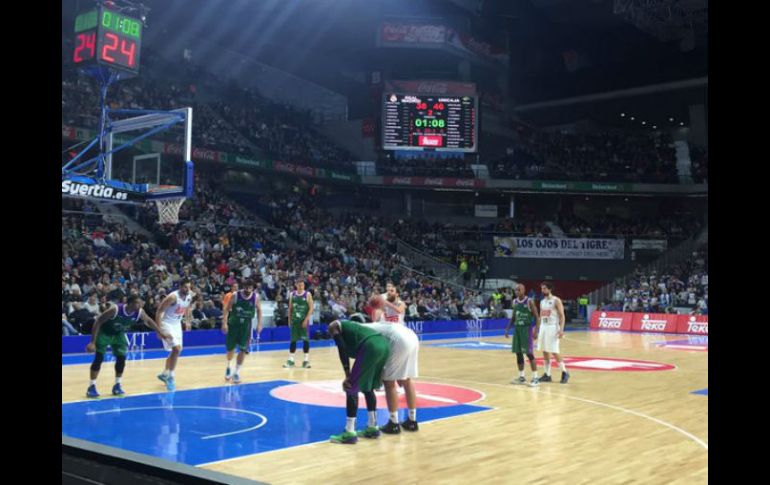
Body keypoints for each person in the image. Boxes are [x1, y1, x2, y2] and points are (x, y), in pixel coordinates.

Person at [86, 295, 170, 398]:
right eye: (137, 303)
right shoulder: (115, 309)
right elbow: (98, 321)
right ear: (130, 303)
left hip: (118, 334)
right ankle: (92, 386)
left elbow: (148, 321)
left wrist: (161, 332)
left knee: (121, 359)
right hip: (104, 333)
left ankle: (117, 385)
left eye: (141, 303)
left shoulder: (139, 312)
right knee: (99, 358)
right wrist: (92, 342)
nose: (140, 305)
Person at [351, 311, 420, 434]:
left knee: (389, 382)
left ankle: (393, 423)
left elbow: (374, 355)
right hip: (412, 337)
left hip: (400, 340)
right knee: (406, 379)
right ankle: (412, 420)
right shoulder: (377, 326)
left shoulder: (363, 329)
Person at [327, 318, 390, 444]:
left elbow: (342, 349)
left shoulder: (332, 326)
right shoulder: (354, 328)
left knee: (350, 387)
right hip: (384, 345)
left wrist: (347, 374)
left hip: (370, 345)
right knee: (368, 387)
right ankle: (373, 427)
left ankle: (350, 432)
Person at [155, 278, 195, 391]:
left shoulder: (189, 295)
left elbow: (187, 308)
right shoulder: (172, 297)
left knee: (176, 351)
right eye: (185, 287)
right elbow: (159, 311)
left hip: (177, 324)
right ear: (180, 287)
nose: (187, 289)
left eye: (189, 287)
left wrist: (187, 321)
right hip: (166, 323)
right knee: (176, 349)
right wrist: (158, 329)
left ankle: (165, 373)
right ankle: (171, 377)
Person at [222, 279, 262, 383]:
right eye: (246, 287)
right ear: (243, 287)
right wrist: (224, 323)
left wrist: (259, 323)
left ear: (252, 288)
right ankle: (229, 366)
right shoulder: (235, 295)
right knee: (230, 349)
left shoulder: (255, 297)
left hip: (246, 327)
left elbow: (259, 310)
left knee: (243, 349)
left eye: (250, 287)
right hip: (234, 325)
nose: (248, 289)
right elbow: (226, 309)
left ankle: (237, 372)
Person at [504, 284, 540, 386]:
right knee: (518, 353)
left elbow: (537, 317)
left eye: (519, 290)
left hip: (526, 329)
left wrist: (536, 330)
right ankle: (521, 377)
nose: (517, 292)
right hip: (517, 330)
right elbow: (514, 317)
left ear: (524, 290)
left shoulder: (529, 301)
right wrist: (507, 329)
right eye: (516, 290)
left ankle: (535, 378)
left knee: (529, 353)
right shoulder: (515, 302)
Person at [536, 282, 569, 384]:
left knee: (554, 351)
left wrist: (561, 329)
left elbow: (562, 316)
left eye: (545, 289)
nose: (542, 291)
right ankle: (547, 374)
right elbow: (541, 316)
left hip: (553, 327)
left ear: (550, 289)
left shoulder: (556, 300)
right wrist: (537, 329)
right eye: (542, 289)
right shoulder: (542, 302)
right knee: (545, 351)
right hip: (543, 327)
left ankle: (564, 372)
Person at [283, 279, 314, 368]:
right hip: (295, 321)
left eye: (302, 285)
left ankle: (306, 360)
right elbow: (290, 308)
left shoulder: (307, 294)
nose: (301, 287)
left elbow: (311, 308)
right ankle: (291, 360)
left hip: (303, 321)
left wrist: (306, 320)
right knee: (293, 340)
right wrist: (289, 320)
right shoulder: (292, 294)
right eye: (299, 285)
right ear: (296, 285)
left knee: (305, 340)